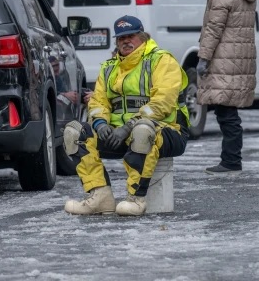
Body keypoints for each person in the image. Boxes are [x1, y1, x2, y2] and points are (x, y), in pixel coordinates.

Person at [62, 15, 190, 216]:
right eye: (121, 38)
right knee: (74, 132)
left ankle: (135, 199)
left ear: (143, 37)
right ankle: (100, 197)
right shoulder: (109, 66)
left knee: (142, 131)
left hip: (167, 131)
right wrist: (101, 124)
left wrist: (127, 127)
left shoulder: (162, 60)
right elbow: (98, 102)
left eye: (131, 36)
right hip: (119, 133)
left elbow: (161, 103)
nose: (126, 41)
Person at [197, 0, 259, 176]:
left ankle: (231, 161)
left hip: (223, 60)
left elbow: (214, 29)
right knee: (228, 111)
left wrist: (203, 58)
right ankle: (231, 159)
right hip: (238, 60)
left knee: (226, 113)